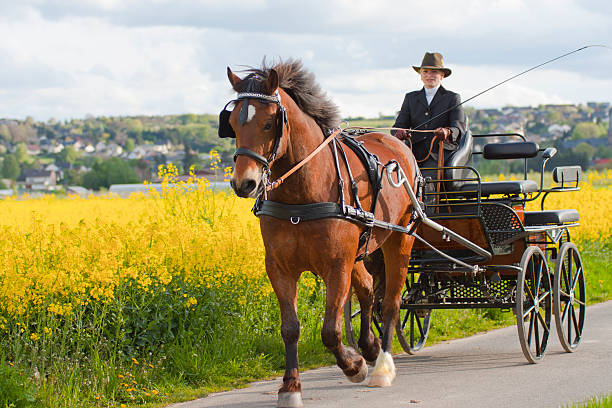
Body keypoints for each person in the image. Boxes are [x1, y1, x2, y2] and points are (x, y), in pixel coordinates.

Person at [392, 52, 466, 178]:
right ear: (420, 74)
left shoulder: (452, 98)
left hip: (440, 153)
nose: (429, 75)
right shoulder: (410, 97)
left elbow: (458, 129)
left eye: (434, 72)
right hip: (413, 153)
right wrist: (399, 132)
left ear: (442, 75)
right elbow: (399, 125)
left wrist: (447, 132)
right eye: (425, 72)